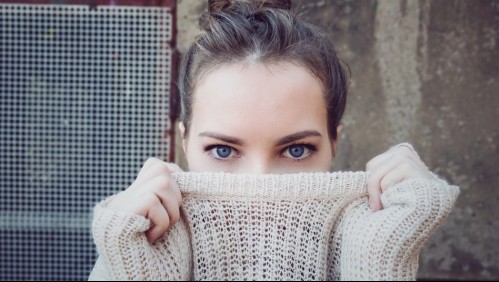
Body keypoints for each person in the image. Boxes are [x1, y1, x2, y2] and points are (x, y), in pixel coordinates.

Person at [90, 0, 457, 280]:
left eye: (296, 150)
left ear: (334, 144)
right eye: (223, 150)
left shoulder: (372, 243)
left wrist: (381, 262)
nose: (260, 185)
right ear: (184, 144)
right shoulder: (139, 247)